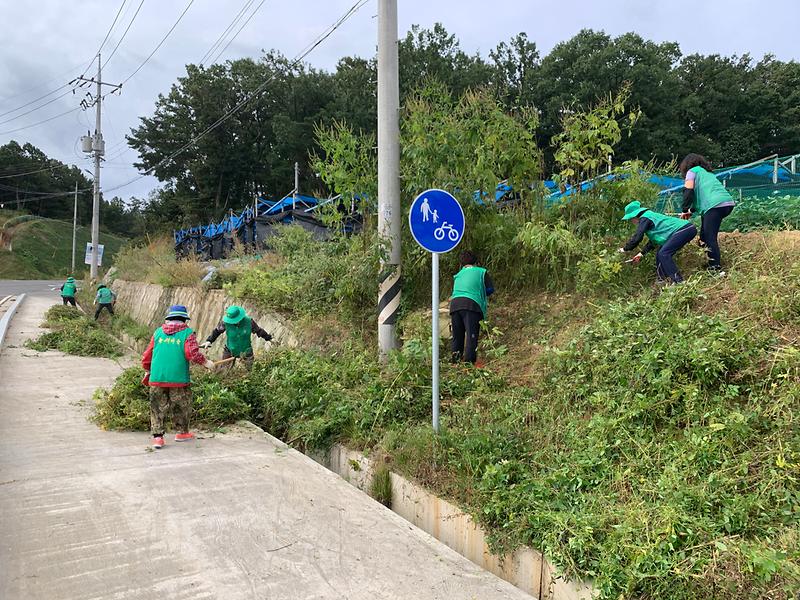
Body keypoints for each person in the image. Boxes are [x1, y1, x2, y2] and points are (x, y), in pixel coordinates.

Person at [141, 305, 215, 449]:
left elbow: (147, 354)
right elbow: (192, 354)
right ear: (184, 319)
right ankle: (181, 433)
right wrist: (206, 363)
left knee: (157, 407)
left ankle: (158, 439)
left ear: (169, 318)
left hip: (157, 377)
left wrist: (147, 369)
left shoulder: (158, 333)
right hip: (178, 379)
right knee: (182, 405)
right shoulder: (187, 333)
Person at [678, 153, 736, 273]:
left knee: (710, 237)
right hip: (726, 204)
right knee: (704, 237)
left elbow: (688, 191)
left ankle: (715, 268)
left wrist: (684, 210)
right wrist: (690, 211)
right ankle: (711, 261)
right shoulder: (707, 174)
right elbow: (703, 197)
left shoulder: (692, 172)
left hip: (714, 206)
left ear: (686, 165)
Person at [619, 200, 697, 284]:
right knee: (660, 253)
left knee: (664, 253)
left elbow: (637, 237)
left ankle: (679, 281)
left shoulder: (645, 218)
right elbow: (653, 242)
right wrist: (641, 254)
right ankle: (662, 279)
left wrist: (625, 249)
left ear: (635, 216)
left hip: (684, 229)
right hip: (686, 229)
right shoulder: (649, 217)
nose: (631, 221)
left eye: (631, 218)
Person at [449, 250, 494, 365]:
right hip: (471, 304)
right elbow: (490, 289)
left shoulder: (458, 274)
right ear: (476, 262)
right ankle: (469, 364)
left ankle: (456, 361)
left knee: (457, 335)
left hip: (455, 305)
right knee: (471, 334)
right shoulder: (481, 272)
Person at [201, 305, 272, 368]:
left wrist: (269, 338)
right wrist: (209, 341)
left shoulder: (249, 322)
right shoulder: (225, 323)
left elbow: (259, 331)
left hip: (246, 350)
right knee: (224, 371)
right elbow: (217, 331)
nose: (233, 322)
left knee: (250, 371)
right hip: (230, 350)